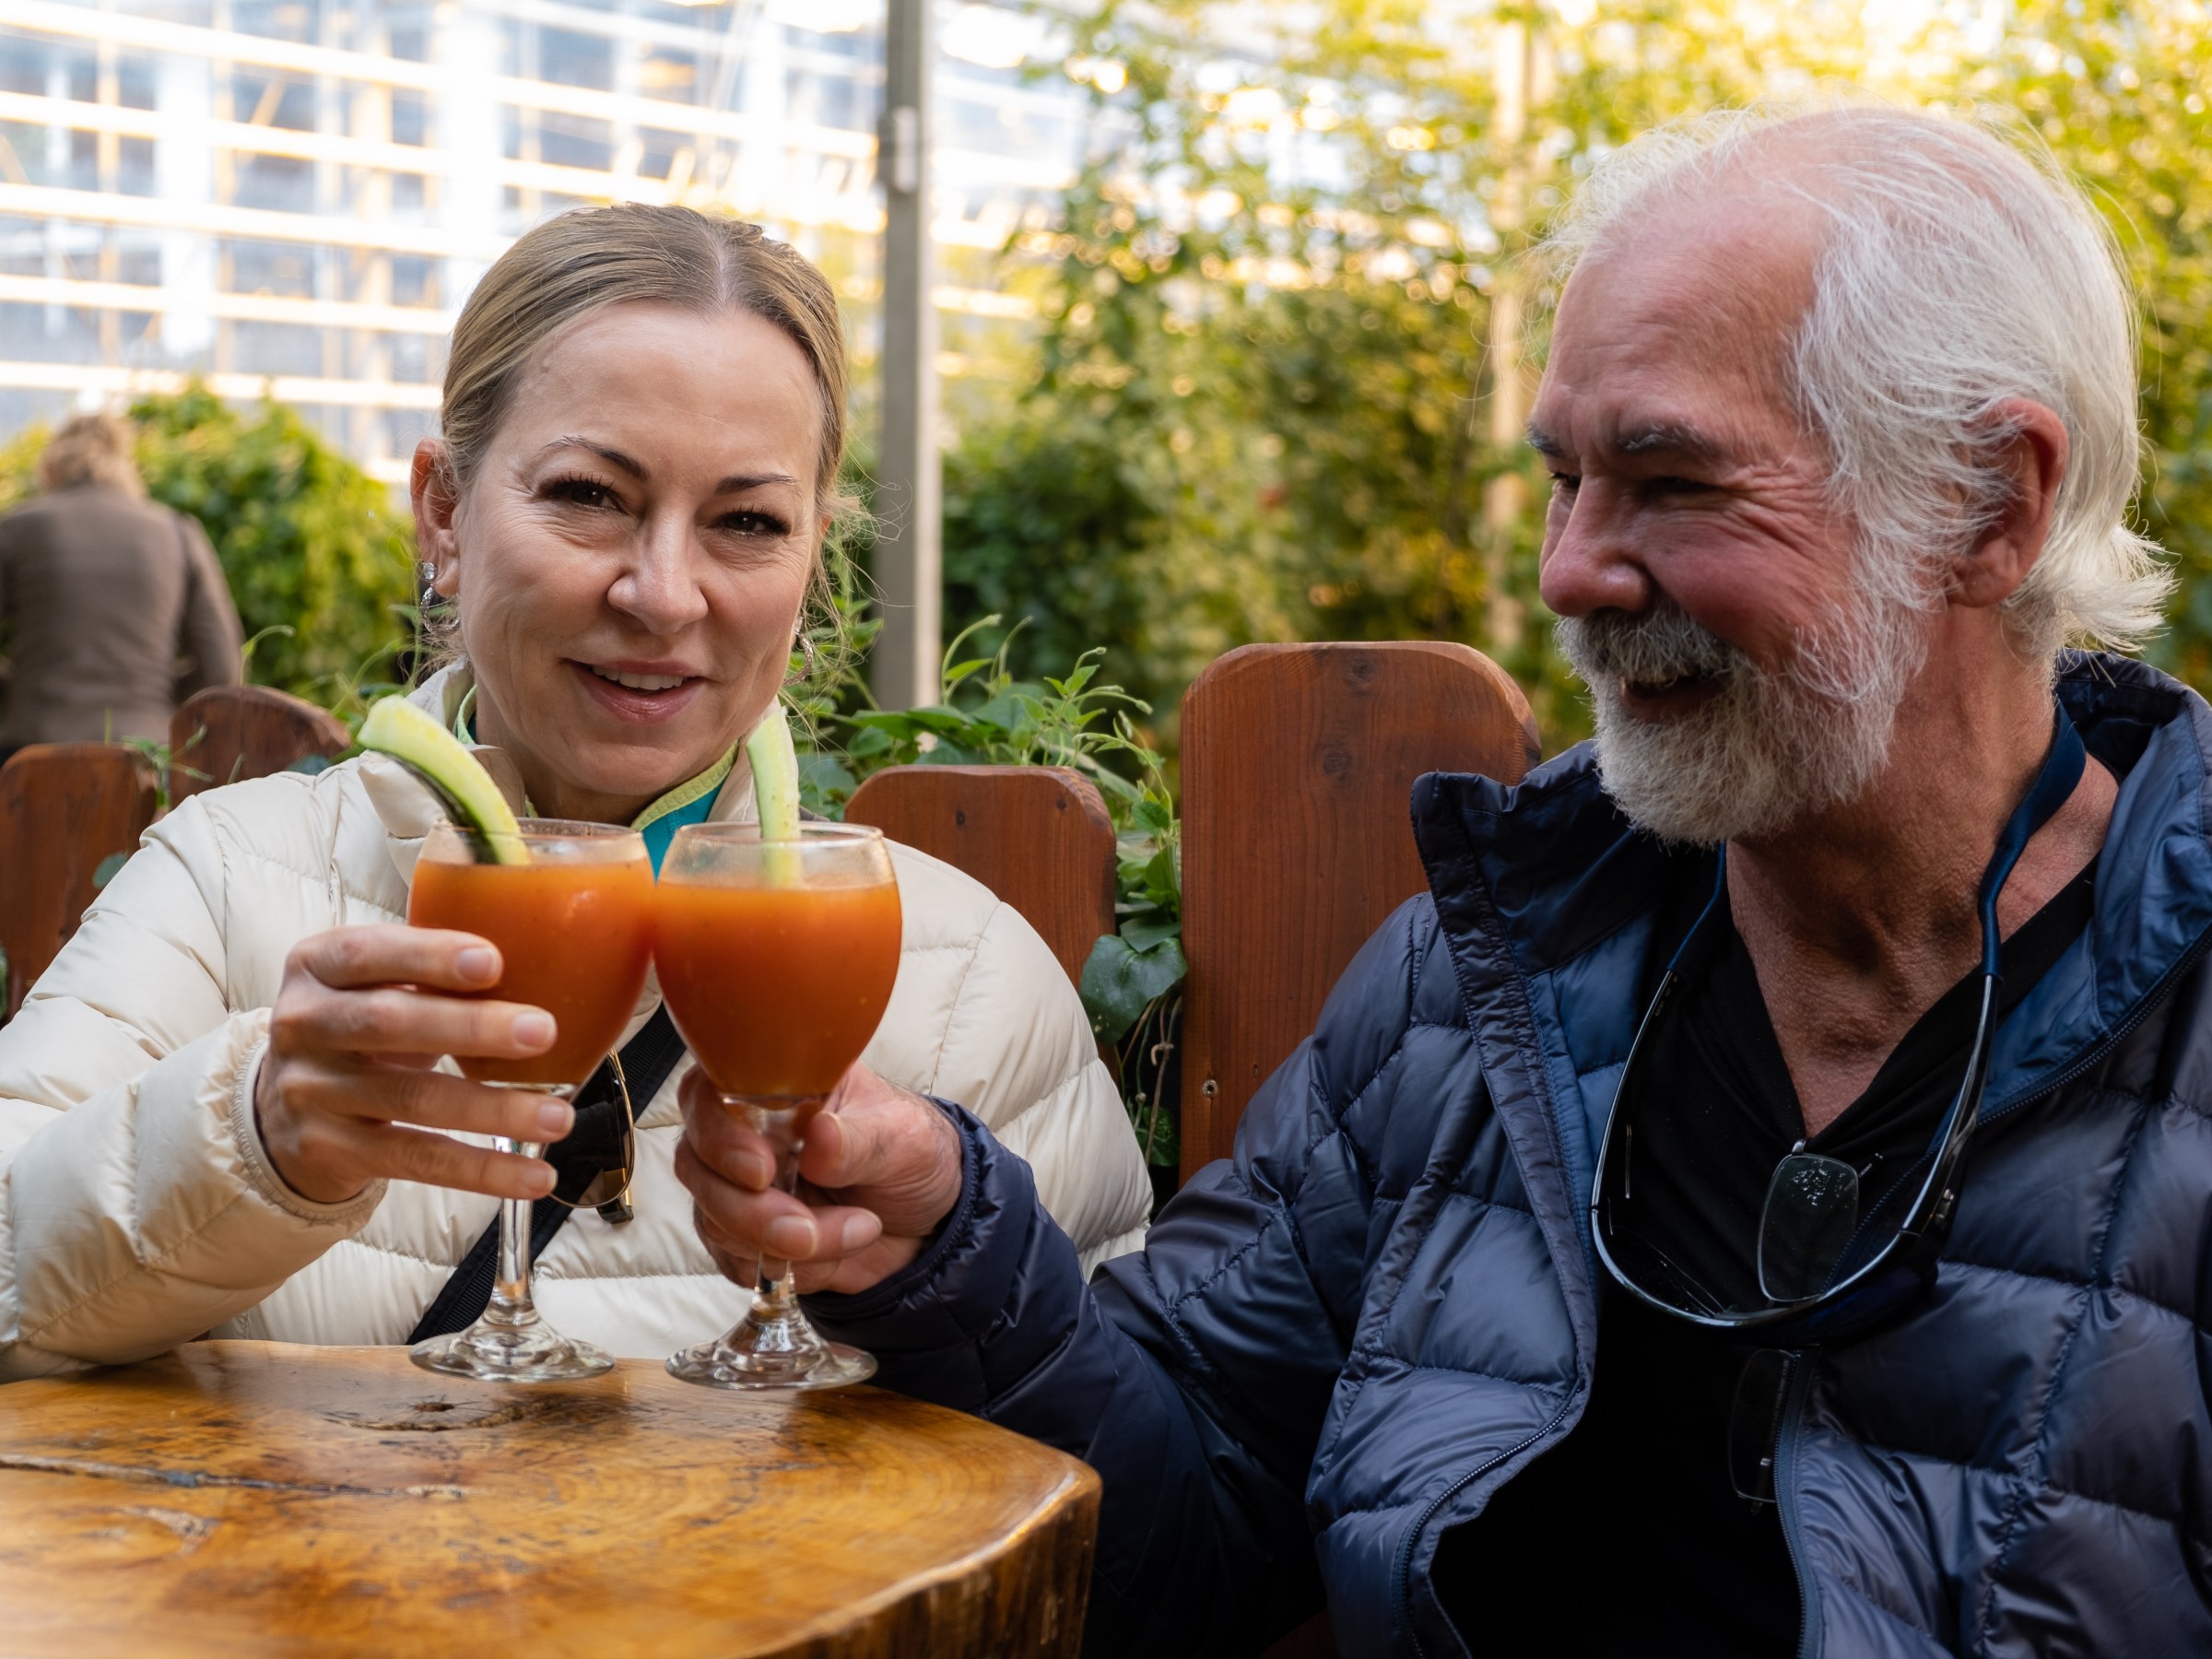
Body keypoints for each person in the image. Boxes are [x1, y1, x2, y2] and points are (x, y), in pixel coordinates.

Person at [667, 105, 2212, 1657]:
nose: (1572, 570)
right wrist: (950, 1252)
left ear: (1989, 502)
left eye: (1670, 482)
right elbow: (1183, 1526)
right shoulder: (1479, 989)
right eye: (1566, 479)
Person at [0, 206, 1152, 1379]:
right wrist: (242, 1139)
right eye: (590, 496)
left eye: (746, 522)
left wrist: (953, 1268)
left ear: (810, 563)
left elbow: (1126, 1486)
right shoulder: (225, 884)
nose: (663, 595)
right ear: (443, 510)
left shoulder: (972, 983)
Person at [0, 411, 243, 759]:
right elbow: (222, 667)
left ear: (51, 466)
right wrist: (149, 695)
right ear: (126, 465)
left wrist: (18, 692)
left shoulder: (18, 527)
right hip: (144, 752)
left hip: (30, 748)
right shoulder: (177, 533)